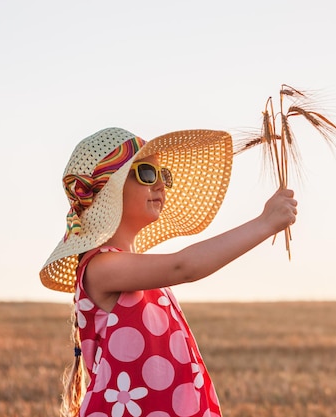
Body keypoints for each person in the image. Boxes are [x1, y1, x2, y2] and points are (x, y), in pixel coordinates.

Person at [40, 127, 298, 417]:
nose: (161, 185)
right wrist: (264, 224)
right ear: (109, 191)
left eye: (163, 175)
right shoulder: (101, 268)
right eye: (147, 173)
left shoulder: (140, 274)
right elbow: (184, 266)